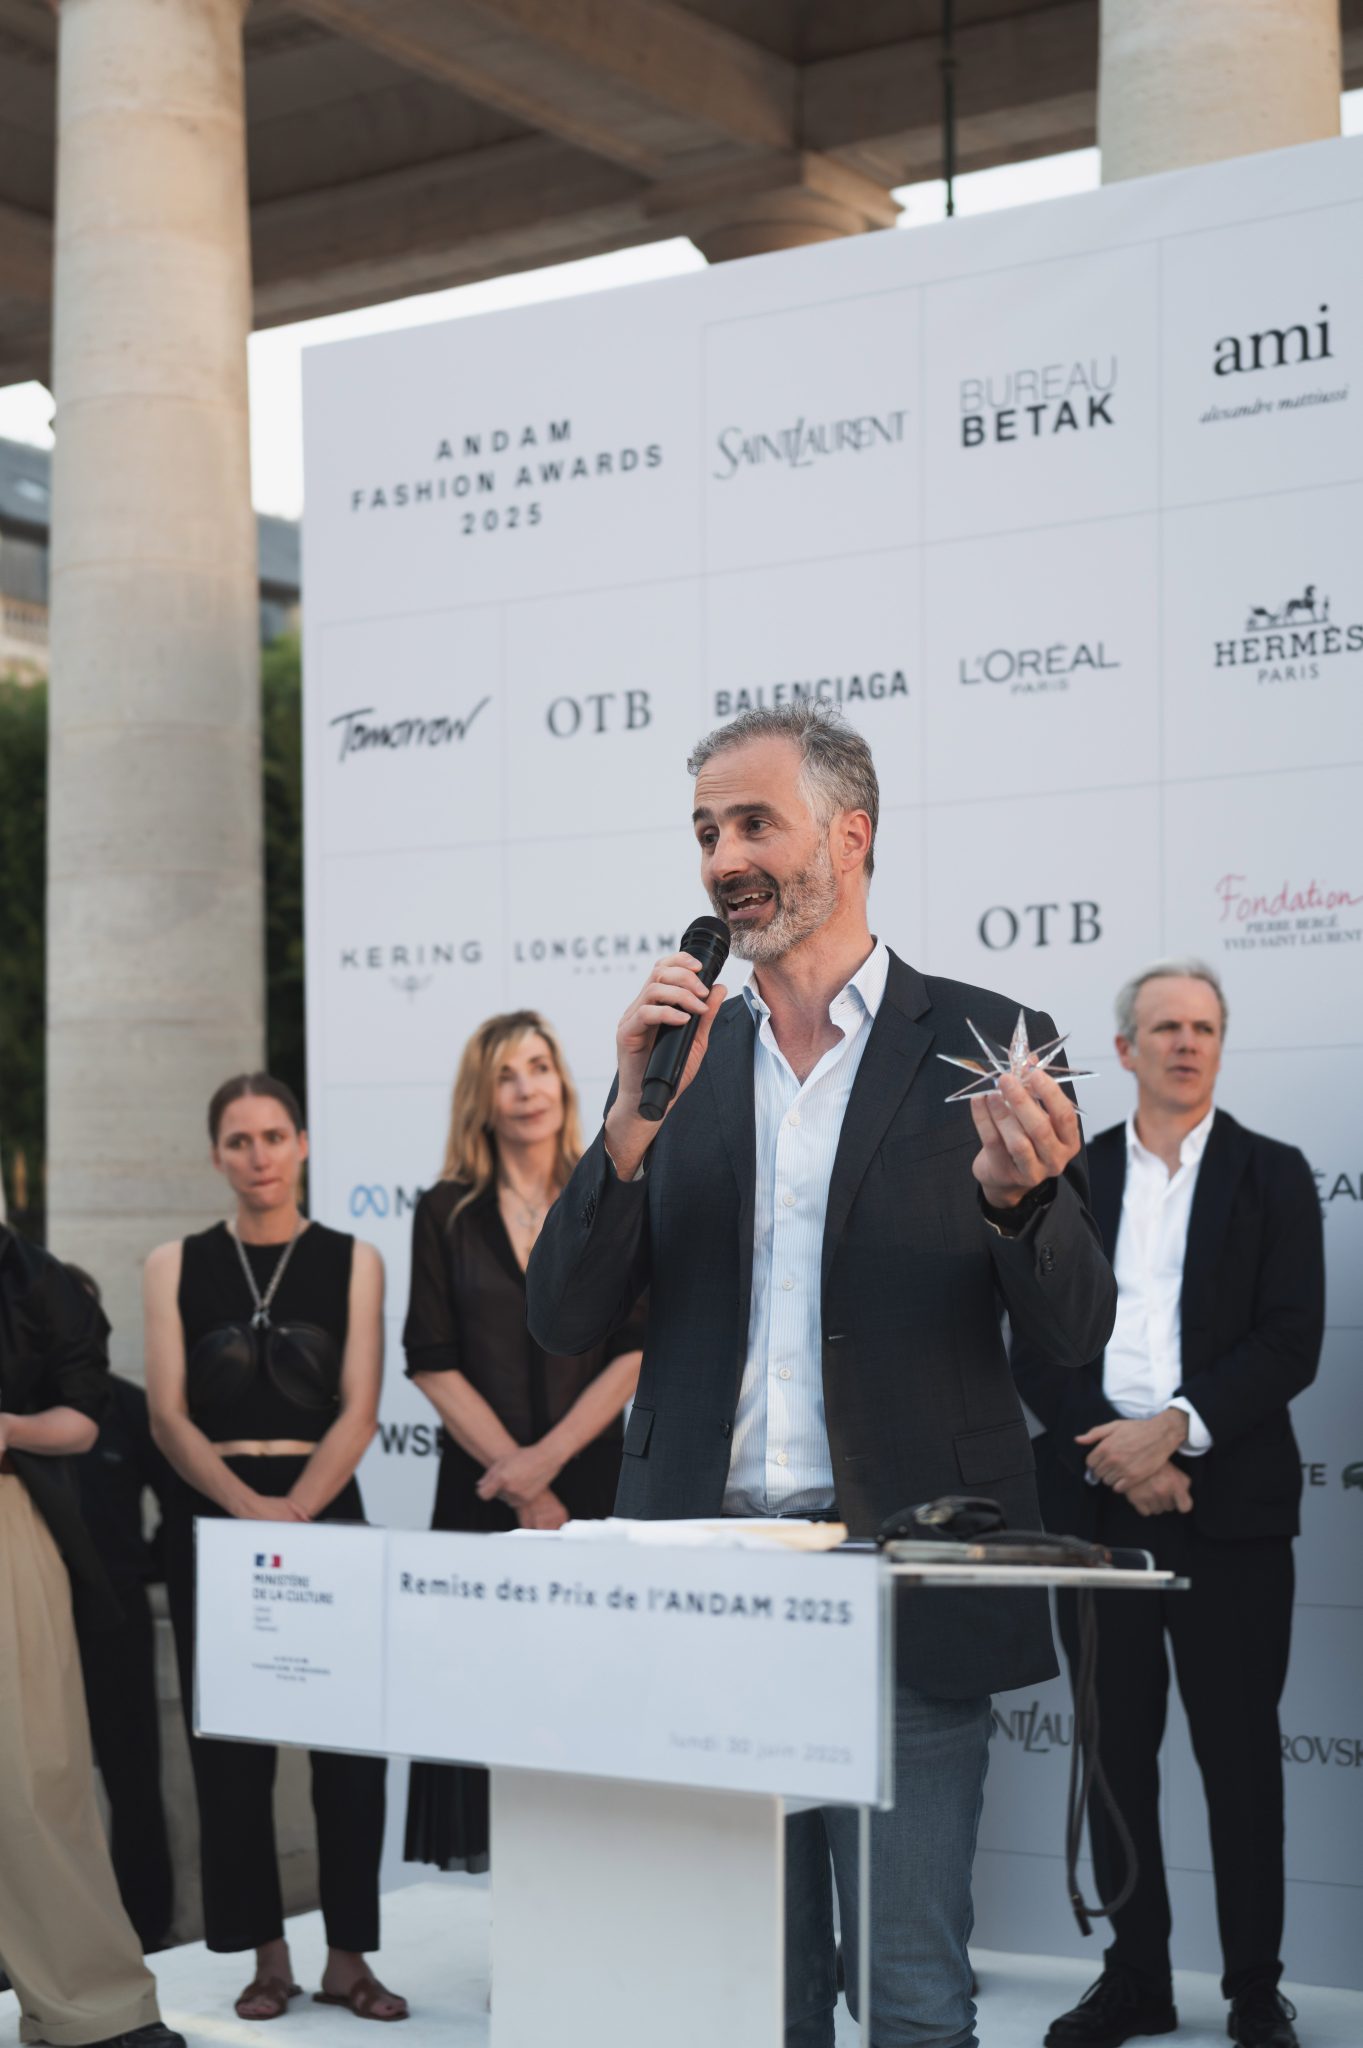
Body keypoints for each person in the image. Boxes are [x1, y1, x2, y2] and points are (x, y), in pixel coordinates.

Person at [526, 701, 1117, 2048]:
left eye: (750, 824)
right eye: (701, 831)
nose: (719, 858)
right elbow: (563, 1316)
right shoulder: (676, 1061)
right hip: (706, 1580)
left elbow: (1074, 1329)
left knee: (912, 1991)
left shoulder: (985, 1036)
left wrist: (1020, 1207)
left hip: (899, 1567)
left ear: (847, 837)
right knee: (746, 1990)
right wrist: (621, 1122)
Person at [1012, 960, 1324, 2048]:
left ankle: (1252, 1988)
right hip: (1098, 1509)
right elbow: (1036, 1338)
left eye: (1202, 1026)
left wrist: (1177, 1428)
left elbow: (1291, 1338)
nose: (1185, 1042)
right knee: (1112, 1753)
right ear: (1127, 1047)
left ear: (1219, 1046)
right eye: (1164, 1026)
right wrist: (1121, 1454)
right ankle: (1134, 1976)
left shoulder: (1273, 1175)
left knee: (1238, 1754)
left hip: (1228, 1504)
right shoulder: (1072, 1176)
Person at [144, 1074, 407, 2024]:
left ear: (301, 1144)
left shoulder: (356, 1259)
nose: (257, 1156)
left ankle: (348, 1959)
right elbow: (168, 1415)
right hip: (212, 1519)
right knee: (230, 1752)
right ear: (217, 1155)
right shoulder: (172, 1262)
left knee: (348, 1748)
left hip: (323, 1513)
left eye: (272, 1136)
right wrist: (244, 1507)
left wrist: (293, 1508)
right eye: (238, 1140)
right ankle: (267, 1958)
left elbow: (362, 1408)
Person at [403, 1010, 645, 1872]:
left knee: (588, 1700)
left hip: (591, 1496)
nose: (527, 1088)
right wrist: (519, 1480)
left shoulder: (608, 1193)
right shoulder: (443, 1212)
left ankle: (594, 1902)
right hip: (482, 1500)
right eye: (507, 1074)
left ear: (564, 1083)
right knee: (489, 1705)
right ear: (483, 1097)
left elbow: (632, 1348)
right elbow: (430, 1361)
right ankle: (518, 1933)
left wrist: (543, 1467)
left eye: (540, 1067)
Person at [0, 1220, 184, 2048]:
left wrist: (4, 1428)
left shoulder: (33, 1280)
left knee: (38, 1771)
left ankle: (92, 2003)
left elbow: (83, 1416)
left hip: (17, 1525)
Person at [68, 1262, 176, 1955]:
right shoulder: (14, 1422)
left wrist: (141, 1568)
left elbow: (178, 1503)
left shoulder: (128, 1408)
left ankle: (149, 1932)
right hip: (24, 1629)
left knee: (134, 1778)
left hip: (115, 1624)